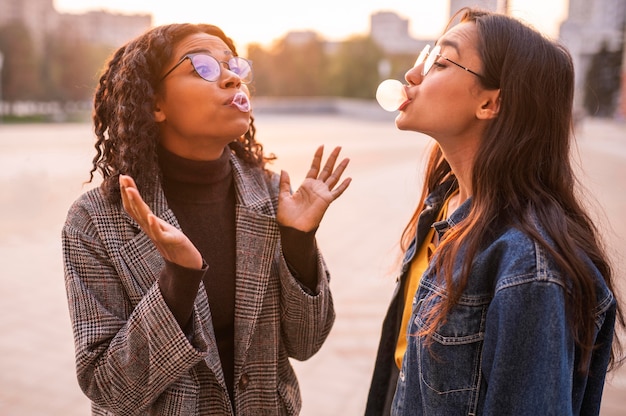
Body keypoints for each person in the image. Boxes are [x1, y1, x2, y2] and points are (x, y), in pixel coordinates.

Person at [62, 23, 351, 415]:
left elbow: (307, 342)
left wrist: (299, 240)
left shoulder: (271, 196)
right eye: (203, 67)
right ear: (154, 104)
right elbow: (110, 389)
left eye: (234, 67)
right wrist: (177, 280)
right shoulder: (94, 221)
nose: (232, 77)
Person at [365, 7, 624, 415]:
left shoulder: (530, 271)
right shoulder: (442, 211)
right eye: (426, 57)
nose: (413, 75)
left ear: (490, 103)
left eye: (439, 62)